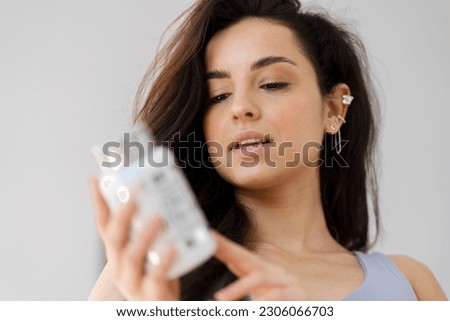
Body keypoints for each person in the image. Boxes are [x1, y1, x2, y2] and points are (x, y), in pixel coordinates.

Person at [88, 0, 447, 300]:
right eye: (219, 96)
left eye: (272, 84)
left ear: (335, 109)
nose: (239, 108)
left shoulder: (411, 284)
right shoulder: (149, 278)